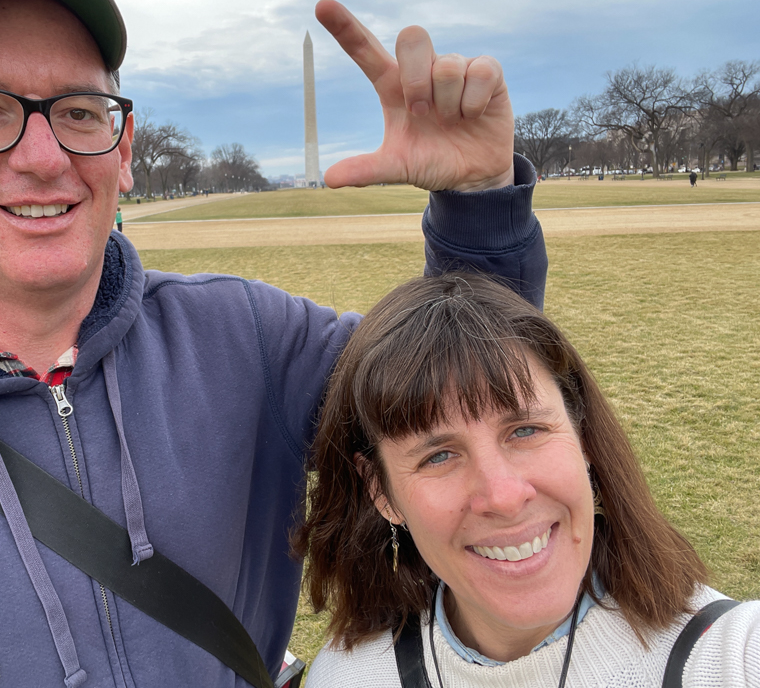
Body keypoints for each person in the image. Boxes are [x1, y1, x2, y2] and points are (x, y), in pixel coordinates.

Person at [0, 0, 547, 686]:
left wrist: (478, 207)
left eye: (79, 111)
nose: (42, 157)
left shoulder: (252, 341)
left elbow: (464, 395)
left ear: (124, 145)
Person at [295, 273, 760, 687]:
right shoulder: (344, 677)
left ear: (583, 436)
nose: (504, 496)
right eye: (439, 456)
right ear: (382, 492)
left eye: (525, 430)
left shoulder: (736, 657)